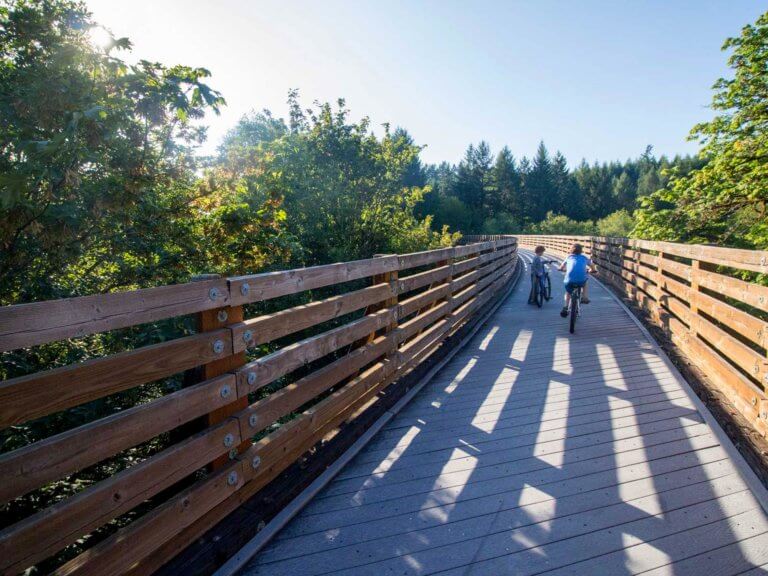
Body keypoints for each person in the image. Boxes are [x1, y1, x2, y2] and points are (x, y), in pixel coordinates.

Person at [558, 243, 596, 317]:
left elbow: (561, 266)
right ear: (581, 251)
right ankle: (584, 297)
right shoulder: (584, 258)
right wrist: (593, 270)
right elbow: (592, 265)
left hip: (569, 280)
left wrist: (561, 269)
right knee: (585, 282)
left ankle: (565, 307)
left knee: (568, 292)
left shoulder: (569, 257)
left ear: (571, 250)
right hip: (581, 280)